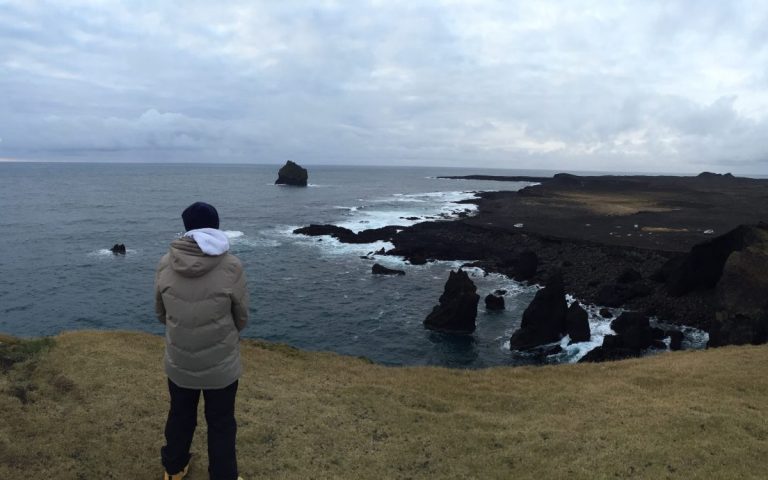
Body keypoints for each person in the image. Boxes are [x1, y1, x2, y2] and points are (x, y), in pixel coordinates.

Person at [155, 202, 248, 480]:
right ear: (216, 226)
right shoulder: (231, 266)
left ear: (187, 228)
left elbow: (160, 313)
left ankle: (173, 469)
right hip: (221, 364)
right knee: (221, 423)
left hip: (179, 360)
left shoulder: (165, 262)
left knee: (180, 416)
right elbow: (241, 316)